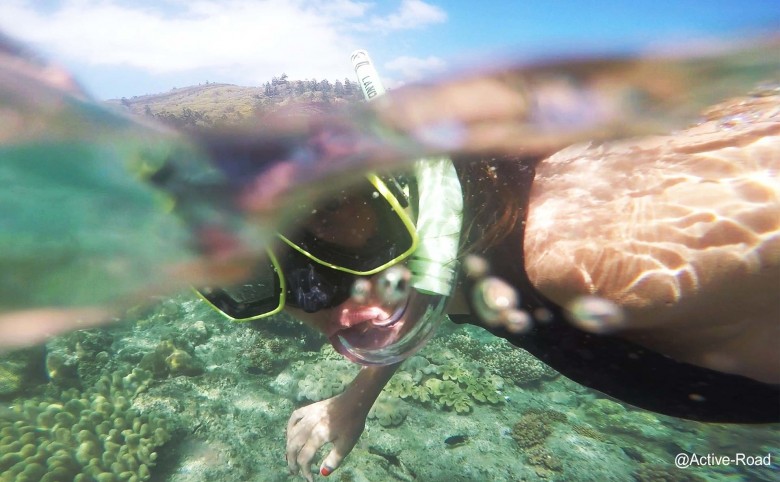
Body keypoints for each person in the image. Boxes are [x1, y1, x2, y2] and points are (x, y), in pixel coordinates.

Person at [2, 33, 778, 482]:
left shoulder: (593, 252)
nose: (325, 300)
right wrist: (352, 402)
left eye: (345, 225)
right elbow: (404, 293)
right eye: (252, 278)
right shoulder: (448, 259)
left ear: (412, 191)